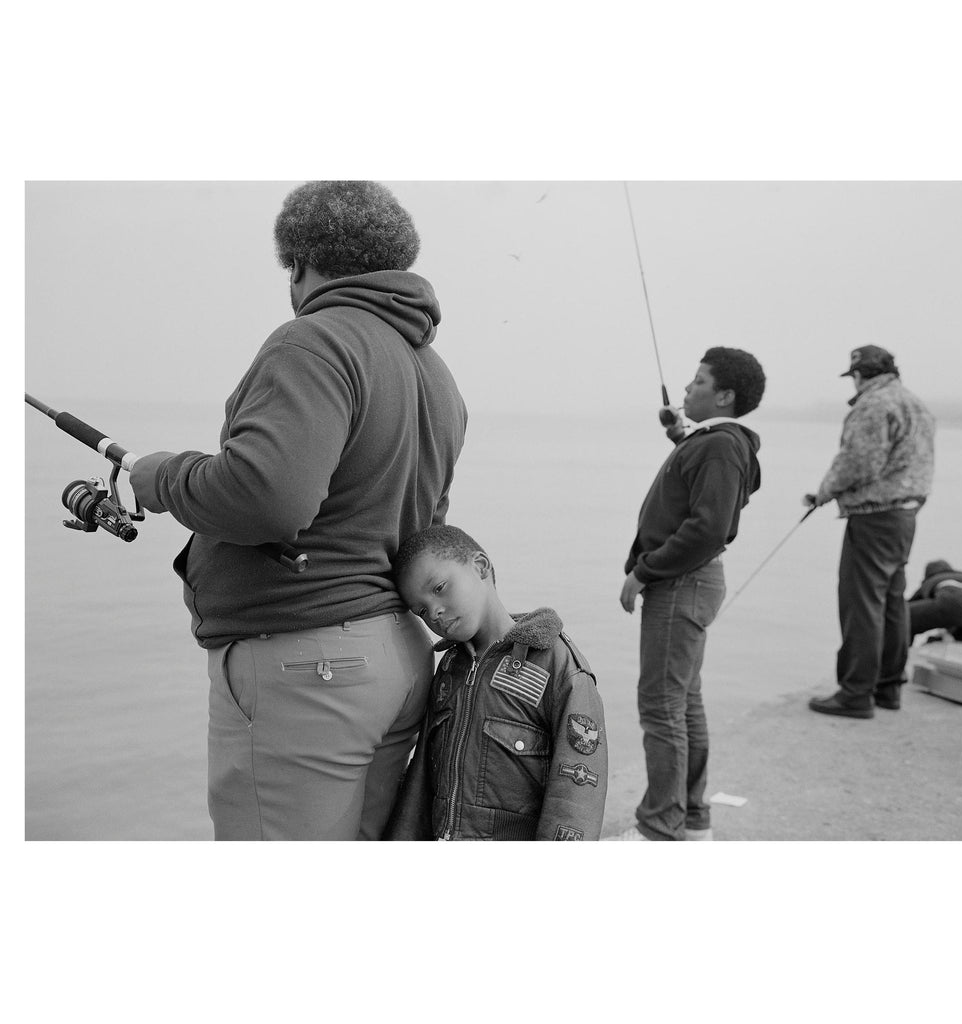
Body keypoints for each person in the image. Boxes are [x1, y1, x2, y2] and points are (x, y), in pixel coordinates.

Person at [128, 181, 467, 840]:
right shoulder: (435, 372)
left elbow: (266, 498)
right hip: (394, 655)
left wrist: (159, 477)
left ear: (299, 262)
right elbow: (426, 527)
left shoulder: (313, 342)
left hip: (306, 670)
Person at [614, 347, 765, 841]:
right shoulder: (715, 443)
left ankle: (661, 827)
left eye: (698, 382)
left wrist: (644, 572)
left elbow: (707, 528)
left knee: (660, 705)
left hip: (681, 584)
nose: (685, 390)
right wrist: (677, 432)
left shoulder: (720, 446)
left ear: (724, 395)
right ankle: (692, 819)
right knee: (684, 702)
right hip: (690, 583)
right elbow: (701, 473)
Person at [385, 525, 607, 841]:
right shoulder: (449, 669)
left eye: (439, 588)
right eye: (420, 610)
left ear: (480, 567)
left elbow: (577, 793)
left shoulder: (556, 664)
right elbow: (421, 779)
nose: (434, 612)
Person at [806, 345, 935, 719]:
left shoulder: (873, 405)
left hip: (875, 517)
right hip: (905, 515)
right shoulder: (916, 403)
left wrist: (824, 493)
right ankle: (888, 688)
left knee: (861, 604)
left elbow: (858, 462)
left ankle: (855, 694)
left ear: (861, 374)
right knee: (893, 602)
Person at [908, 559, 962, 642]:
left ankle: (900, 654)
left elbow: (903, 609)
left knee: (906, 617)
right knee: (959, 618)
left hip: (953, 605)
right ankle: (948, 638)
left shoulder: (933, 579)